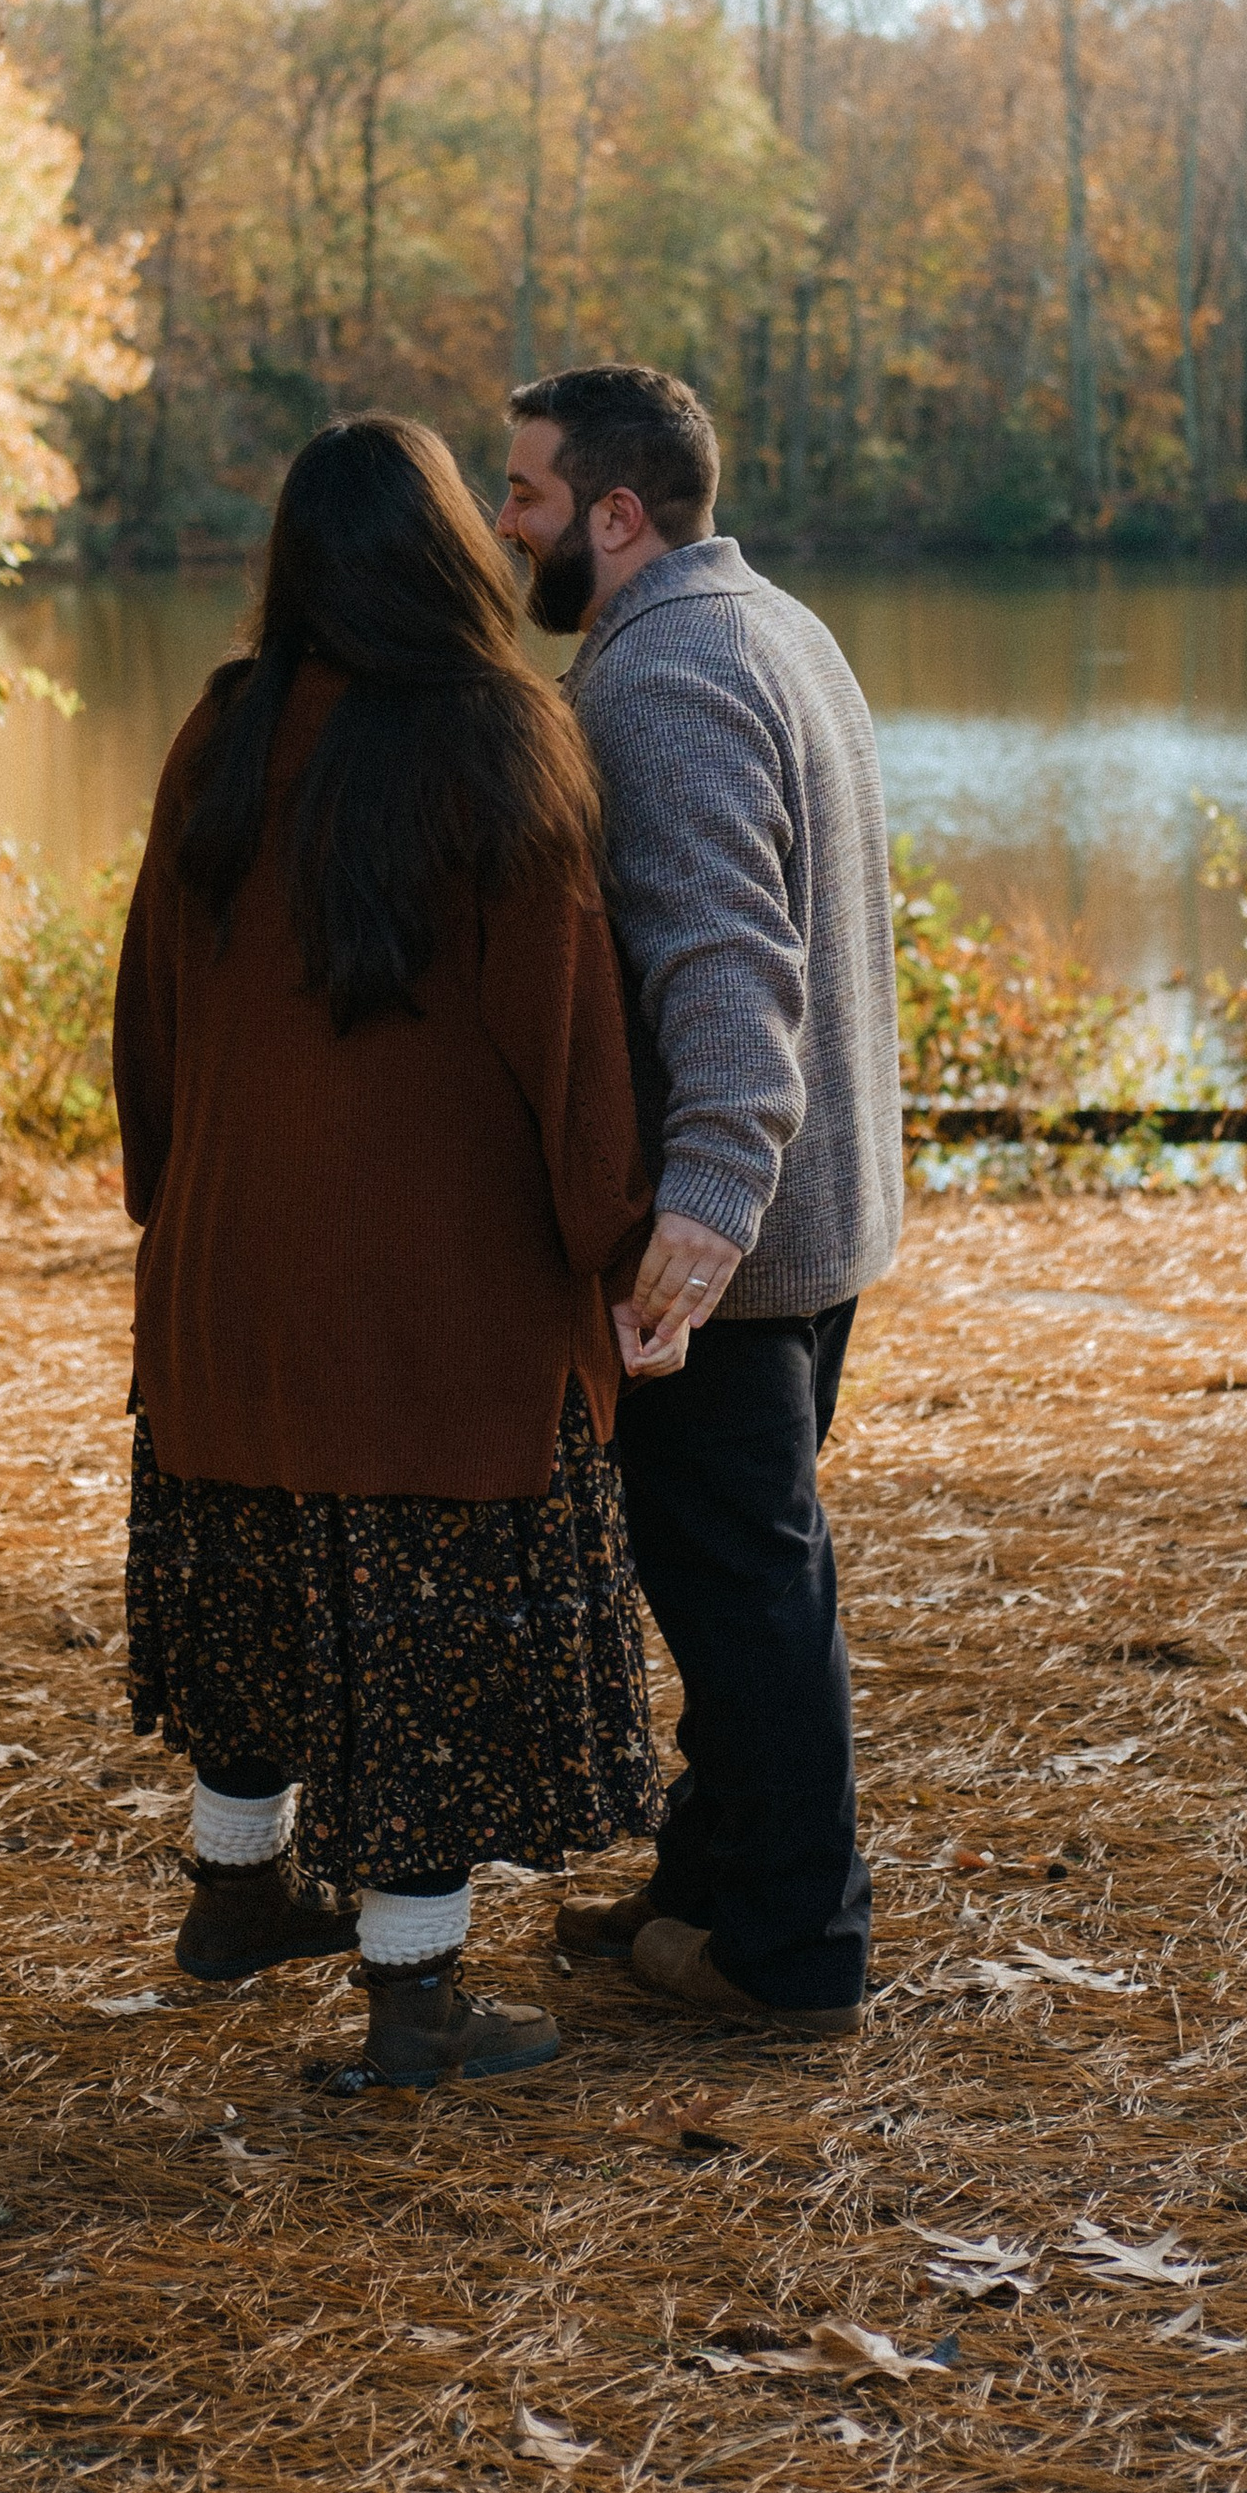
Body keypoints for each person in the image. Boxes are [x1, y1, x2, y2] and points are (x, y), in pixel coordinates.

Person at [112, 412, 663, 2088]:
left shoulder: (222, 725)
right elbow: (569, 1043)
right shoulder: (505, 743)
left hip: (228, 1278)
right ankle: (414, 2004)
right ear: (443, 557)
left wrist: (171, 1201)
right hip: (436, 1314)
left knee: (262, 1594)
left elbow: (146, 1010)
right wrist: (615, 1248)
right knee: (424, 1648)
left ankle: (238, 1893)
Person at [496, 364, 903, 2041]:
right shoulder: (778, 625)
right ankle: (706, 1882)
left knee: (747, 1599)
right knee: (741, 1581)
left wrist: (703, 1213)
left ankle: (792, 1950)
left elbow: (731, 963)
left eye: (522, 493)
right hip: (824, 1222)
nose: (502, 522)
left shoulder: (658, 681)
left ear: (615, 513)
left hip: (732, 1250)